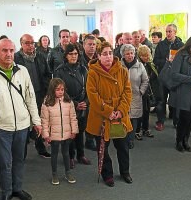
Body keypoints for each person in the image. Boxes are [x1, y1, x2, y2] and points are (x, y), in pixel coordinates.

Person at [0, 38, 42, 200]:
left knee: (19, 159)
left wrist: (36, 121)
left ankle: (17, 188)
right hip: (1, 128)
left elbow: (30, 98)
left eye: (11, 50)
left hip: (22, 126)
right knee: (5, 162)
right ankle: (6, 192)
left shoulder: (23, 71)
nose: (8, 54)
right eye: (4, 50)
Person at [86, 41, 133, 187]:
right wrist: (108, 112)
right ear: (98, 56)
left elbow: (127, 92)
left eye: (110, 53)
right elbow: (93, 96)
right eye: (104, 54)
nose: (108, 57)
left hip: (119, 116)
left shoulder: (122, 70)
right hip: (101, 117)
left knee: (123, 147)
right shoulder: (93, 73)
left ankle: (125, 171)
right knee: (103, 149)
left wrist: (120, 110)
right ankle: (107, 174)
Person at [54, 43, 92, 168]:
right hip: (67, 106)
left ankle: (81, 155)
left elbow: (89, 88)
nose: (73, 56)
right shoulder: (59, 71)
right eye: (70, 54)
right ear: (66, 55)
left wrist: (85, 102)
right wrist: (75, 104)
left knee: (80, 132)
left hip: (83, 105)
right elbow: (59, 91)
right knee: (70, 133)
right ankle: (70, 157)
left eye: (75, 53)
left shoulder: (83, 69)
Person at [15, 34, 52, 159]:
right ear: (21, 44)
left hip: (39, 93)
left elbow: (47, 74)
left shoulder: (40, 57)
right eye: (27, 43)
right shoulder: (16, 58)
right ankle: (22, 150)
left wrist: (46, 90)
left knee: (39, 121)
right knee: (24, 123)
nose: (30, 45)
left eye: (32, 43)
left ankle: (40, 147)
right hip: (22, 97)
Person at [169, 35, 191, 152]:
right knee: (184, 118)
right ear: (189, 45)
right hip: (184, 92)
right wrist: (190, 79)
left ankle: (186, 140)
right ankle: (179, 141)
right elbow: (174, 75)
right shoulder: (181, 55)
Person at [41, 78, 79, 185]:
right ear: (52, 90)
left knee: (66, 154)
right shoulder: (47, 102)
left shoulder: (68, 101)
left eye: (62, 89)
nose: (60, 92)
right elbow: (44, 120)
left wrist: (74, 131)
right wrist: (46, 135)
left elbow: (73, 117)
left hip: (67, 134)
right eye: (58, 89)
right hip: (54, 135)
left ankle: (68, 172)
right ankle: (54, 173)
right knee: (54, 155)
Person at [154, 24, 184, 130]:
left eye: (170, 31)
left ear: (175, 32)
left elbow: (184, 61)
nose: (168, 34)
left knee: (175, 100)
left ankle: (176, 121)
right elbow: (155, 60)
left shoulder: (181, 45)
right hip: (163, 77)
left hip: (175, 78)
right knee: (161, 100)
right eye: (166, 31)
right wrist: (166, 61)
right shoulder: (161, 45)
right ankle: (160, 121)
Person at [120, 44, 149, 149]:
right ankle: (123, 138)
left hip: (136, 96)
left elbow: (145, 80)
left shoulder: (140, 66)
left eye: (132, 53)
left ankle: (131, 139)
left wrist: (141, 91)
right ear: (123, 55)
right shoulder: (119, 65)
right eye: (127, 53)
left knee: (133, 119)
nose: (130, 55)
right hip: (122, 97)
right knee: (123, 117)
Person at [138, 45, 164, 133]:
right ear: (139, 55)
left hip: (150, 89)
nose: (146, 57)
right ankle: (139, 128)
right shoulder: (138, 65)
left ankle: (145, 127)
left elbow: (155, 76)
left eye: (148, 55)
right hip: (141, 90)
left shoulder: (151, 64)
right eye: (144, 55)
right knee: (142, 109)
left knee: (147, 110)